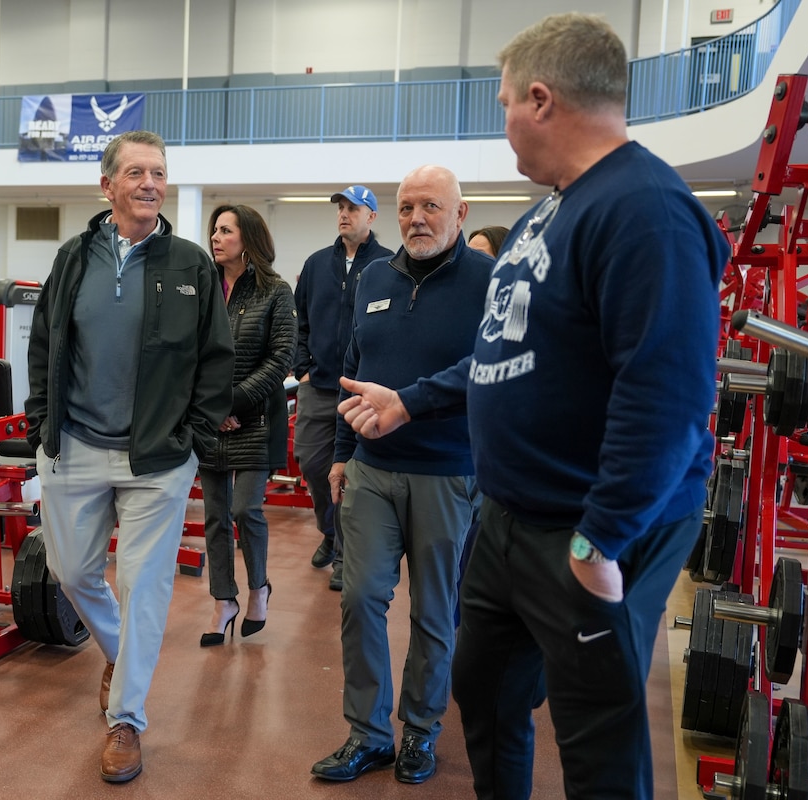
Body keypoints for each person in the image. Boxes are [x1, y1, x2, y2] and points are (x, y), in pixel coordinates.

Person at [337, 13, 729, 799]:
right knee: (483, 693)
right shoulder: (547, 212)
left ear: (542, 100)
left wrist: (601, 541)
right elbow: (500, 360)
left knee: (596, 743)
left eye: (506, 100)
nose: (504, 119)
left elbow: (671, 392)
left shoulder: (645, 208)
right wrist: (410, 402)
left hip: (586, 529)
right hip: (510, 520)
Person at [24, 130, 233, 784]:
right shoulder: (73, 259)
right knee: (72, 571)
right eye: (137, 172)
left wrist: (192, 436)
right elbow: (42, 347)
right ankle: (119, 656)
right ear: (107, 185)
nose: (150, 183)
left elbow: (215, 359)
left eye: (159, 172)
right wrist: (41, 423)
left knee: (143, 587)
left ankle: (127, 720)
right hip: (75, 447)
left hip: (157, 459)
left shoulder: (191, 265)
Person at [310, 166, 491, 786]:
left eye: (431, 207)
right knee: (359, 599)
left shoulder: (489, 283)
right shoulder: (373, 279)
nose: (417, 218)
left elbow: (489, 371)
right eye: (407, 207)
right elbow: (351, 373)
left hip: (447, 474)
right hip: (371, 470)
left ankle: (419, 730)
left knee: (434, 612)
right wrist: (339, 453)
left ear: (460, 214)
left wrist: (409, 400)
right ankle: (368, 734)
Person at [199, 204, 296, 647]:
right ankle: (224, 601)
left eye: (226, 230)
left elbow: (281, 358)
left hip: (255, 418)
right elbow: (190, 354)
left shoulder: (275, 291)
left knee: (245, 509)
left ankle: (259, 588)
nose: (216, 237)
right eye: (214, 230)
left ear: (248, 238)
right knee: (216, 516)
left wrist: (232, 401)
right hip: (209, 421)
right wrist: (210, 406)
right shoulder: (204, 288)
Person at [293, 185, 394, 591]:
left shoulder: (389, 265)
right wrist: (301, 365)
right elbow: (299, 321)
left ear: (372, 216)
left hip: (366, 388)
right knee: (311, 463)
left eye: (354, 208)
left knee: (353, 474)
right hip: (319, 386)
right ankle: (329, 530)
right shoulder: (317, 264)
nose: (344, 214)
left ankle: (343, 554)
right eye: (341, 208)